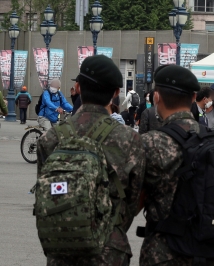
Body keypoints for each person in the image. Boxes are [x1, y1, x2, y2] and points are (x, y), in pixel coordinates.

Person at [37, 55, 145, 265]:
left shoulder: (50, 138)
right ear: (116, 93)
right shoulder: (129, 139)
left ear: (77, 87)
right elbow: (133, 201)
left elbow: (45, 192)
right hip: (109, 250)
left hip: (61, 251)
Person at [139, 65, 214, 266]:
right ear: (194, 97)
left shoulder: (150, 142)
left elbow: (131, 202)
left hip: (163, 250)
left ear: (156, 97)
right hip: (207, 251)